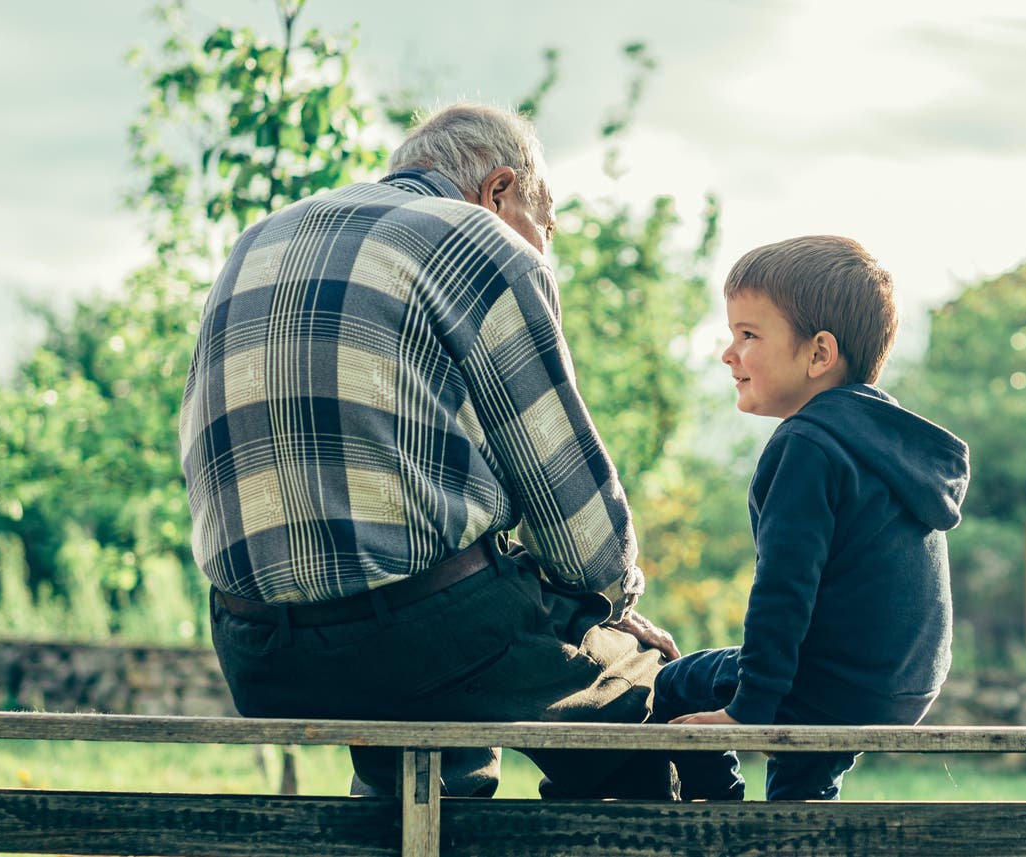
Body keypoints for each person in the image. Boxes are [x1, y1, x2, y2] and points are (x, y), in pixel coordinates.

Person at [180, 102, 680, 800]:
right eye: (548, 226)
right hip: (419, 635)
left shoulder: (257, 240)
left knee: (435, 753)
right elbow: (578, 526)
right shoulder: (479, 240)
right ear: (498, 190)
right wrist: (612, 607)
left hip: (254, 648)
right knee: (645, 724)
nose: (546, 250)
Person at [653, 235, 969, 800]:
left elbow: (783, 591)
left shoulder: (809, 443)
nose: (729, 354)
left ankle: (718, 816)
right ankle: (795, 826)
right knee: (800, 794)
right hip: (898, 691)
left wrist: (747, 711)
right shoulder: (885, 440)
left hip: (829, 686)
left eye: (748, 335)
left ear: (819, 354)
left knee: (674, 685)